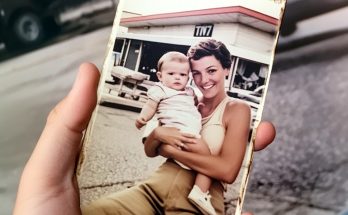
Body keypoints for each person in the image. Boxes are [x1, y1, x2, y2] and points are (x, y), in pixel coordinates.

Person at [13, 62, 275, 215]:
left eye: (212, 71)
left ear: (227, 71)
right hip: (152, 187)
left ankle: (199, 193)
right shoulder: (183, 101)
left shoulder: (236, 109)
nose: (203, 79)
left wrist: (167, 148)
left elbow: (227, 171)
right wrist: (158, 134)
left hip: (197, 199)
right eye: (196, 73)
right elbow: (150, 150)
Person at [135, 51, 216, 214]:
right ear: (160, 75)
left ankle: (198, 189)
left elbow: (192, 105)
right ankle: (200, 192)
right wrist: (143, 117)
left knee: (203, 161)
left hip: (189, 130)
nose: (177, 78)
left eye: (182, 74)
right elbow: (150, 106)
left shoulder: (190, 91)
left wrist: (198, 109)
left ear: (188, 76)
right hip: (179, 131)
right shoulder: (160, 90)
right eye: (171, 74)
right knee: (208, 160)